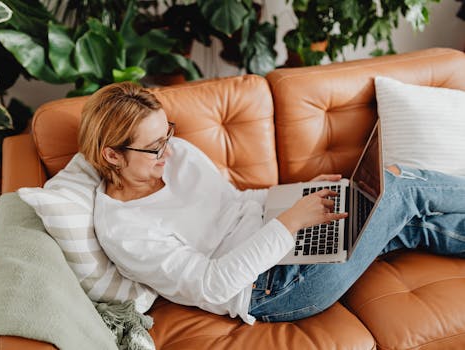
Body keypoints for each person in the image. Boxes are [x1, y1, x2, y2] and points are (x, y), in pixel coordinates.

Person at [78, 82, 465, 324]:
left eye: (167, 134)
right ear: (112, 156)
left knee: (406, 224)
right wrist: (291, 222)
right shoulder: (124, 230)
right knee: (400, 186)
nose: (169, 150)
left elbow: (234, 202)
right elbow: (214, 286)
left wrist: (295, 193)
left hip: (275, 231)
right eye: (153, 147)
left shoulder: (175, 153)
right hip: (273, 288)